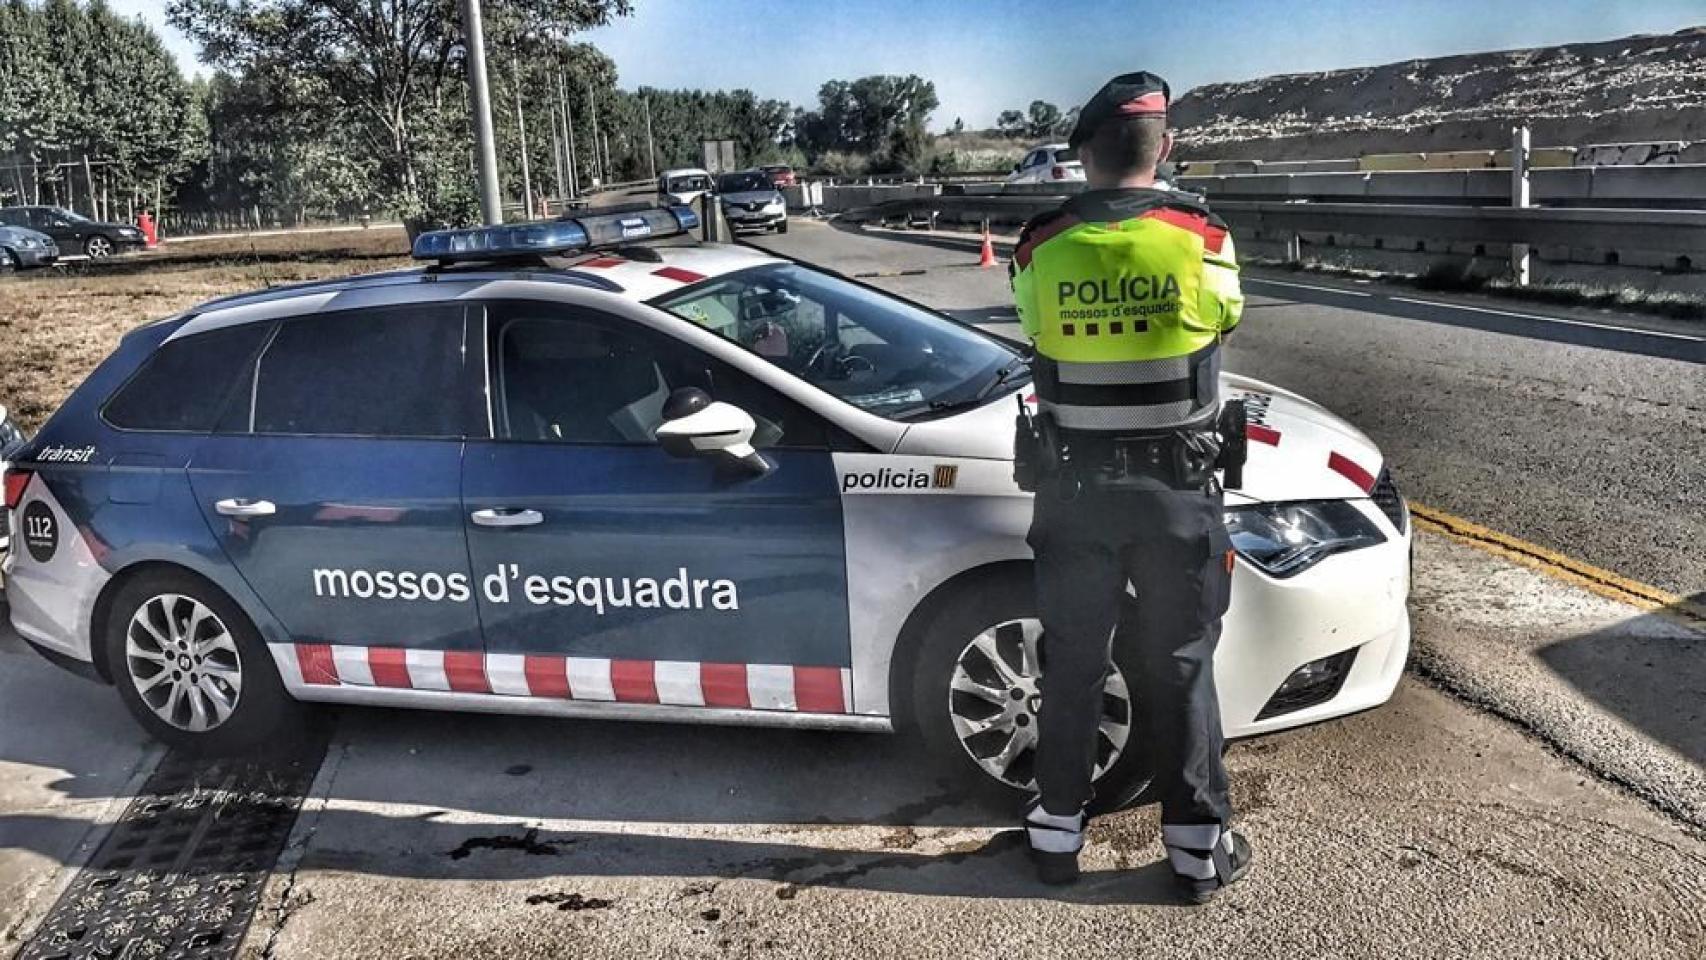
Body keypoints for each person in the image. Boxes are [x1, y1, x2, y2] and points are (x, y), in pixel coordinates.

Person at [1009, 71, 1252, 902]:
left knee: (1073, 661)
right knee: (1181, 661)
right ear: (1167, 147)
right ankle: (1194, 848)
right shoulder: (1202, 236)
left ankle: (1054, 834)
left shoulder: (1041, 244)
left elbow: (1036, 328)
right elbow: (1225, 319)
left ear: (1081, 157)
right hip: (1177, 489)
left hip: (1074, 490)